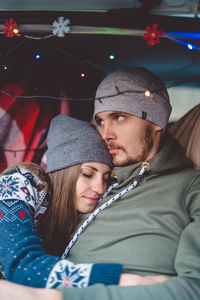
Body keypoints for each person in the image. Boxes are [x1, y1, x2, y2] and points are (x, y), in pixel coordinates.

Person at [1, 66, 200, 300]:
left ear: (157, 119)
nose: (105, 134)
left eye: (118, 117)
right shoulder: (63, 181)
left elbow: (193, 287)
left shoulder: (189, 187)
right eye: (100, 121)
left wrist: (55, 296)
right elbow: (22, 262)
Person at [0, 115, 123, 288]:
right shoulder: (20, 182)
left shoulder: (77, 214)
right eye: (88, 174)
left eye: (106, 177)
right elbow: (21, 267)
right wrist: (120, 279)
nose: (100, 188)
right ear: (64, 171)